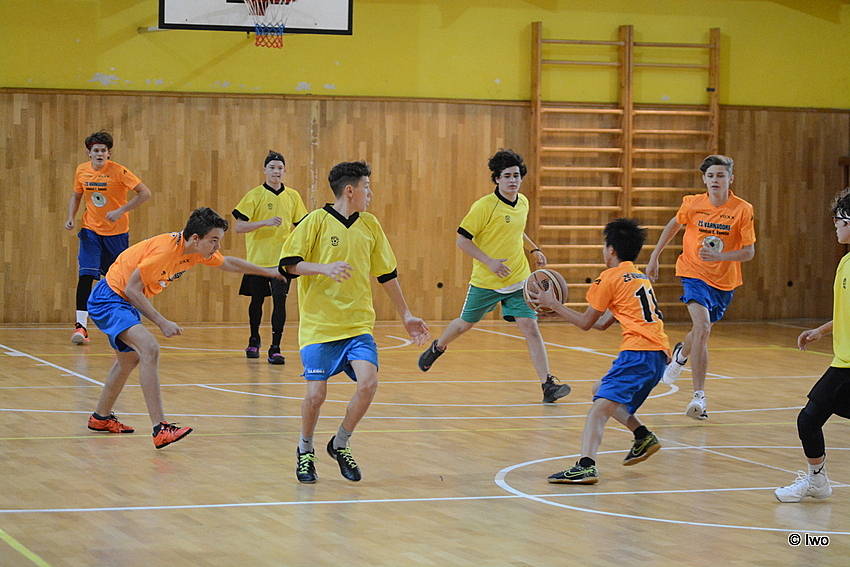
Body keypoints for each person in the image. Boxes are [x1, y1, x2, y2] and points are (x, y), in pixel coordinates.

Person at [279, 160, 430, 483]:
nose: (370, 194)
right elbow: (288, 264)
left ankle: (340, 443)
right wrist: (323, 268)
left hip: (358, 326)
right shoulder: (315, 221)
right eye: (366, 187)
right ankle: (305, 449)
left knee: (368, 383)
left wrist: (406, 315)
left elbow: (386, 273)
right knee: (316, 396)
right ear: (350, 190)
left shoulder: (370, 225)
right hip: (319, 327)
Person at [86, 207, 286, 449]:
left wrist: (268, 272)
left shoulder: (195, 251)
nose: (217, 246)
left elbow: (228, 263)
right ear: (195, 238)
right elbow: (132, 289)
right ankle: (160, 428)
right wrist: (162, 322)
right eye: (214, 240)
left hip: (124, 301)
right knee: (150, 349)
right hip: (110, 298)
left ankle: (100, 418)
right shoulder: (165, 252)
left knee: (128, 361)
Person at [417, 149, 570, 403]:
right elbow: (462, 240)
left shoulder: (523, 202)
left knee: (531, 328)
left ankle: (548, 385)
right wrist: (489, 262)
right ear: (497, 179)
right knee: (464, 325)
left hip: (519, 279)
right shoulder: (484, 207)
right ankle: (438, 347)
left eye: (516, 175)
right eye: (507, 176)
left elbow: (516, 231)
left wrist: (534, 249)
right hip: (486, 281)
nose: (513, 180)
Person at [530, 218, 670, 484]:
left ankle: (586, 466)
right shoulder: (639, 277)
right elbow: (603, 322)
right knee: (599, 390)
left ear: (611, 250)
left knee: (597, 411)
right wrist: (560, 312)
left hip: (638, 353)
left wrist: (554, 304)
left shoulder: (609, 277)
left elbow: (585, 323)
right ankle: (642, 435)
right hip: (658, 355)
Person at [646, 155, 755, 420]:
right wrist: (654, 256)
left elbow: (749, 252)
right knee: (703, 326)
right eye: (710, 176)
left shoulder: (742, 209)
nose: (715, 180)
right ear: (704, 179)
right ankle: (699, 397)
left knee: (700, 331)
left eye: (720, 175)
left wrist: (720, 257)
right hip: (692, 273)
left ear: (730, 179)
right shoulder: (692, 203)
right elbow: (674, 224)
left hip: (724, 281)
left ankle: (680, 355)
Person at [773, 189, 850, 502]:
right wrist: (822, 330)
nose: (835, 225)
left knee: (809, 419)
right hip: (843, 362)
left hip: (847, 366)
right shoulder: (845, 262)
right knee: (809, 419)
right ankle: (817, 481)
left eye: (840, 219)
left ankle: (817, 481)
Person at [65, 131, 152, 345]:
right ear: (89, 153)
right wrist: (71, 217)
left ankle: (126, 324)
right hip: (90, 231)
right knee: (86, 274)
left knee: (119, 280)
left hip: (116, 234)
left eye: (103, 150)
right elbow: (76, 196)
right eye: (96, 150)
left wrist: (121, 210)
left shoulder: (119, 171)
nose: (100, 154)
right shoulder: (82, 171)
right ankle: (81, 327)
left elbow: (145, 193)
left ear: (109, 153)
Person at [233, 151, 308, 364]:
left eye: (280, 168)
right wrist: (264, 222)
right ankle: (254, 338)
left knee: (279, 300)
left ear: (285, 171)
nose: (276, 172)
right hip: (257, 261)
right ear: (264, 170)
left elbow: (302, 226)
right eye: (272, 168)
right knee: (256, 301)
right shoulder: (255, 195)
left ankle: (275, 347)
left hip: (281, 262)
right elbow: (239, 226)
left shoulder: (293, 196)